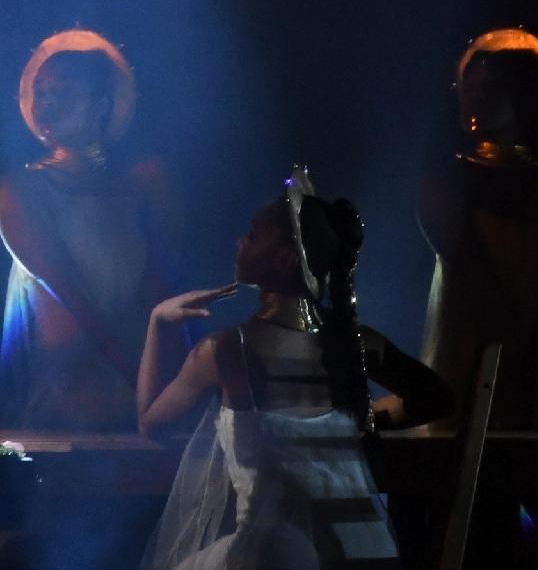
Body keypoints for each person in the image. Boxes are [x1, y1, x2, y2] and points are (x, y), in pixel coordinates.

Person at [138, 168, 451, 570]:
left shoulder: (227, 351)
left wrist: (158, 323)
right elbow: (435, 397)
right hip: (364, 553)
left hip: (272, 557)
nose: (240, 241)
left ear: (284, 258)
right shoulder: (355, 342)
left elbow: (152, 423)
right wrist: (357, 419)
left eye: (252, 234)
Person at [417, 27, 538, 428]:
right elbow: (472, 276)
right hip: (467, 360)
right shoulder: (447, 181)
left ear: (529, 96)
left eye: (496, 85)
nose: (478, 95)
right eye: (472, 84)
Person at [0, 29, 176, 430]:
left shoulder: (144, 182)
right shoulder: (19, 189)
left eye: (65, 91)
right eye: (41, 92)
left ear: (101, 105)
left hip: (140, 363)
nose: (48, 103)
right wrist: (129, 365)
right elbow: (62, 284)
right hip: (67, 375)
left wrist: (156, 366)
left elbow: (158, 278)